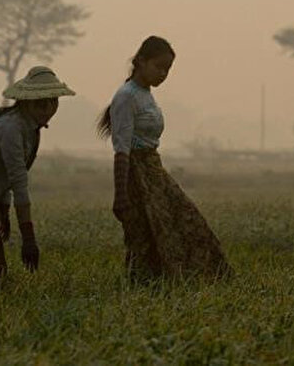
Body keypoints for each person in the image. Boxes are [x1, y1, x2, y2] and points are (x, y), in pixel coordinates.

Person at [97, 36, 231, 282]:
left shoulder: (146, 94)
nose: (163, 74)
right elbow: (121, 149)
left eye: (167, 69)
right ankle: (145, 288)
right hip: (135, 173)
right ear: (140, 61)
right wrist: (121, 194)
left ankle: (196, 279)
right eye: (158, 67)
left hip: (154, 170)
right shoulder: (126, 96)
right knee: (144, 235)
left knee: (184, 222)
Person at [0, 66, 74, 288]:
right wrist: (28, 239)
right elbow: (18, 182)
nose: (48, 108)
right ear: (27, 102)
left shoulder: (30, 128)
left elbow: (5, 178)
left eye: (53, 101)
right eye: (41, 103)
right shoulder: (11, 128)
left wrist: (4, 212)